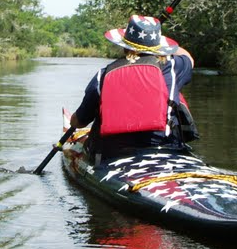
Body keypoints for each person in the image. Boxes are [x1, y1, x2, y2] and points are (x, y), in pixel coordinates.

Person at [69, 14, 198, 163]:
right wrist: (157, 39)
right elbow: (188, 57)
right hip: (165, 149)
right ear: (159, 47)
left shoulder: (103, 76)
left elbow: (80, 122)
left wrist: (72, 123)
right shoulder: (173, 67)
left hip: (112, 155)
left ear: (124, 46)